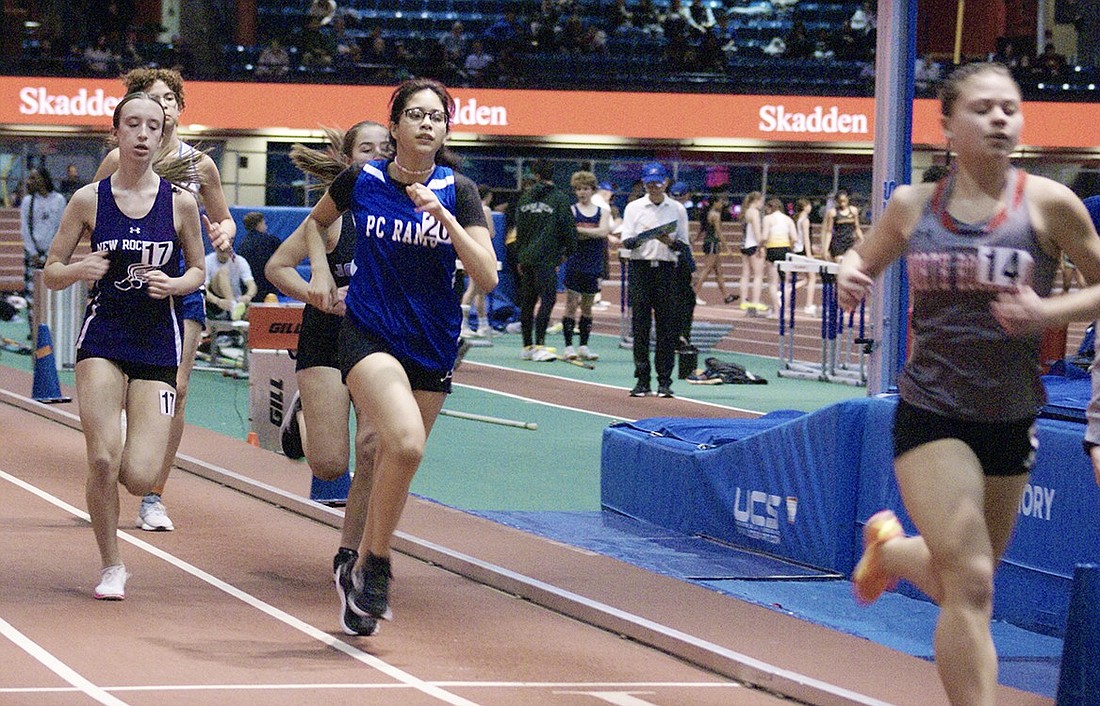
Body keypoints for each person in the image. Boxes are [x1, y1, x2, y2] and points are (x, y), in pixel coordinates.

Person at [837, 62, 1100, 706]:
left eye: (1009, 108)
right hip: (932, 412)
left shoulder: (1048, 203)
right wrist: (850, 275)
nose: (1000, 119)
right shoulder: (911, 207)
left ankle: (895, 555)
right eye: (983, 109)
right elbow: (860, 258)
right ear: (948, 124)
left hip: (1011, 416)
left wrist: (1049, 313)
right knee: (975, 583)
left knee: (963, 579)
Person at [302, 79, 496, 636]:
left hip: (432, 343)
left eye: (437, 116)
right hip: (369, 334)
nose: (427, 124)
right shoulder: (360, 181)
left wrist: (446, 217)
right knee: (403, 440)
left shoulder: (460, 189)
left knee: (395, 457)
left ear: (445, 129)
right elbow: (316, 224)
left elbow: (485, 276)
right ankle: (378, 562)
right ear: (395, 127)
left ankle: (355, 562)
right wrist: (319, 273)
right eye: (415, 114)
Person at [42, 92, 206, 600]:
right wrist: (78, 269)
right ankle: (112, 565)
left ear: (161, 136)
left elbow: (199, 270)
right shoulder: (89, 199)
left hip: (158, 343)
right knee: (101, 460)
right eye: (131, 124)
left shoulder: (180, 202)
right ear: (115, 134)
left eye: (151, 126)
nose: (140, 134)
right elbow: (50, 271)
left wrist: (175, 285)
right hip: (104, 338)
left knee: (139, 476)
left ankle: (141, 465)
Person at [93, 67, 236, 533]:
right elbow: (92, 213)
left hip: (180, 290)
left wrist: (222, 236)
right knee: (118, 392)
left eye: (169, 99)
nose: (163, 106)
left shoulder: (201, 166)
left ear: (178, 108)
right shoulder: (117, 160)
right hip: (123, 292)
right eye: (153, 99)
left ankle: (153, 493)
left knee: (177, 387)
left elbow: (224, 219)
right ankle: (107, 460)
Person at [266, 119, 392, 636]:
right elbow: (277, 267)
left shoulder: (402, 214)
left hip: (380, 342)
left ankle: (352, 558)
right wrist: (315, 289)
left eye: (385, 149)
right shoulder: (331, 218)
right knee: (329, 463)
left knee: (371, 448)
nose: (377, 156)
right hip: (325, 339)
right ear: (346, 158)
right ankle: (301, 415)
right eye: (366, 149)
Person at [620, 161, 690, 398]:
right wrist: (643, 237)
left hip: (666, 269)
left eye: (657, 183)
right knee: (640, 325)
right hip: (640, 267)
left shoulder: (677, 209)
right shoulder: (634, 208)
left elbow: (683, 243)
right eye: (649, 183)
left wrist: (667, 240)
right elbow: (626, 240)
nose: (653, 187)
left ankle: (664, 381)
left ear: (666, 182)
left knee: (666, 327)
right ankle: (642, 379)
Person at [514, 158, 576, 362]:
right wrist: (566, 253)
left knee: (528, 301)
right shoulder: (559, 198)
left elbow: (519, 229)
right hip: (547, 257)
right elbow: (568, 228)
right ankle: (539, 344)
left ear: (536, 175)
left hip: (526, 257)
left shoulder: (524, 198)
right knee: (548, 300)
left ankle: (526, 346)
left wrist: (519, 256)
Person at [560, 170, 611, 361]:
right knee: (571, 305)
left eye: (586, 189)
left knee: (588, 307)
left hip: (594, 264)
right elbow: (570, 234)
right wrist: (592, 232)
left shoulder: (602, 211)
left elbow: (603, 232)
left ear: (592, 190)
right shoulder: (571, 210)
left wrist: (580, 231)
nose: (582, 192)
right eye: (579, 189)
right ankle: (568, 346)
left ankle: (583, 345)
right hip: (575, 263)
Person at [20, 167, 67, 304]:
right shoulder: (28, 201)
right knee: (32, 295)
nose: (30, 181)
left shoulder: (59, 200)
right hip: (33, 254)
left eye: (33, 178)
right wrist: (33, 253)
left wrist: (50, 253)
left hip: (53, 253)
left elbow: (61, 228)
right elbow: (25, 229)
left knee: (52, 292)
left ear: (43, 179)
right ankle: (33, 324)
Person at [461, 185, 497, 338]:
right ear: (488, 196)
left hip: (470, 250)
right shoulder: (485, 210)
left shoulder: (469, 209)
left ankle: (483, 324)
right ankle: (462, 324)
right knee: (472, 289)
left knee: (480, 291)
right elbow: (491, 232)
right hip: (482, 252)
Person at [692, 191, 736, 306]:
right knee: (707, 270)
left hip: (711, 243)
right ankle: (694, 294)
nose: (722, 204)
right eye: (720, 202)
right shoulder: (715, 215)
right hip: (712, 244)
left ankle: (726, 296)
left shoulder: (708, 213)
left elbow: (702, 229)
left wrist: (695, 239)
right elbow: (719, 232)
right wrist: (728, 248)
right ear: (715, 202)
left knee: (719, 271)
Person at [762, 197, 797, 318]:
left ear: (770, 207)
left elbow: (765, 236)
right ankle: (784, 312)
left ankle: (777, 312)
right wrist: (790, 247)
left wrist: (761, 246)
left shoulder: (768, 219)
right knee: (785, 283)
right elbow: (794, 237)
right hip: (785, 249)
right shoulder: (788, 219)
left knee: (773, 283)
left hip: (772, 248)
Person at [235, 212, 281, 302]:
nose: (266, 226)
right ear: (259, 224)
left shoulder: (242, 244)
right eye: (264, 223)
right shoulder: (270, 240)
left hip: (246, 288)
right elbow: (284, 252)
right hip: (267, 287)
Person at [204, 246, 256, 321]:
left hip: (238, 301)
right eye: (221, 250)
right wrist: (217, 301)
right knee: (223, 272)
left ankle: (234, 308)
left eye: (226, 249)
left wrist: (248, 296)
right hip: (216, 303)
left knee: (253, 309)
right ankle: (233, 306)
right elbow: (203, 290)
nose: (223, 252)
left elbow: (251, 284)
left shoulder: (239, 261)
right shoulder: (207, 261)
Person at [737, 191, 767, 314]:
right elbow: (756, 231)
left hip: (744, 245)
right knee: (758, 275)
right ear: (757, 200)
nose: (762, 205)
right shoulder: (755, 213)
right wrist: (761, 245)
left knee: (745, 274)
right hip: (753, 245)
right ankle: (755, 301)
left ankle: (743, 301)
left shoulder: (745, 212)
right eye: (762, 202)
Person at [821, 188, 863, 261]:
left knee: (850, 263)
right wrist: (825, 249)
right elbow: (829, 231)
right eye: (840, 202)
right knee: (840, 262)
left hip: (849, 242)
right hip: (838, 242)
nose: (842, 204)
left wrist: (862, 241)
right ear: (837, 201)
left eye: (844, 201)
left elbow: (857, 228)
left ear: (848, 199)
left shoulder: (853, 211)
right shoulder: (833, 212)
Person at [794, 197, 818, 315]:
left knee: (807, 278)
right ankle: (808, 305)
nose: (810, 207)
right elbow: (806, 238)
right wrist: (809, 254)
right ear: (805, 207)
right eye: (809, 205)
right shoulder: (805, 220)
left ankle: (785, 292)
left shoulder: (798, 219)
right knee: (812, 278)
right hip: (803, 251)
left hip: (799, 249)